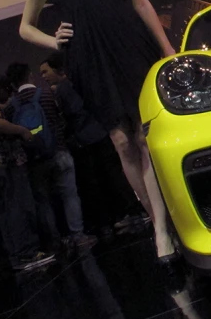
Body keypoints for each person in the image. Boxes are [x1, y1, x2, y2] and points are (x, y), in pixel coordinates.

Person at [18, 0, 177, 266]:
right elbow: (25, 26)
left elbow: (139, 0)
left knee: (143, 137)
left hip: (129, 44)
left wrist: (167, 48)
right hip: (86, 57)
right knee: (120, 140)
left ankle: (161, 231)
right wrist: (54, 42)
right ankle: (157, 220)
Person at [40, 53, 145, 237]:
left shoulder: (64, 89)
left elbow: (76, 112)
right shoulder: (76, 82)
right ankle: (133, 211)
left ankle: (128, 213)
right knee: (114, 175)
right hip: (98, 133)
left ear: (57, 69)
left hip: (90, 138)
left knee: (109, 178)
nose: (43, 76)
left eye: (45, 71)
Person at [0, 66, 55, 271]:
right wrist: (21, 130)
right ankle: (29, 253)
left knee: (4, 210)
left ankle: (17, 255)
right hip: (7, 160)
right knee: (19, 206)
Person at [4, 62, 95, 250]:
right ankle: (78, 235)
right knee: (70, 195)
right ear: (29, 75)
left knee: (44, 202)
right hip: (58, 151)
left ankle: (56, 241)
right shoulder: (46, 94)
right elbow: (59, 120)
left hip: (34, 159)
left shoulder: (11, 106)